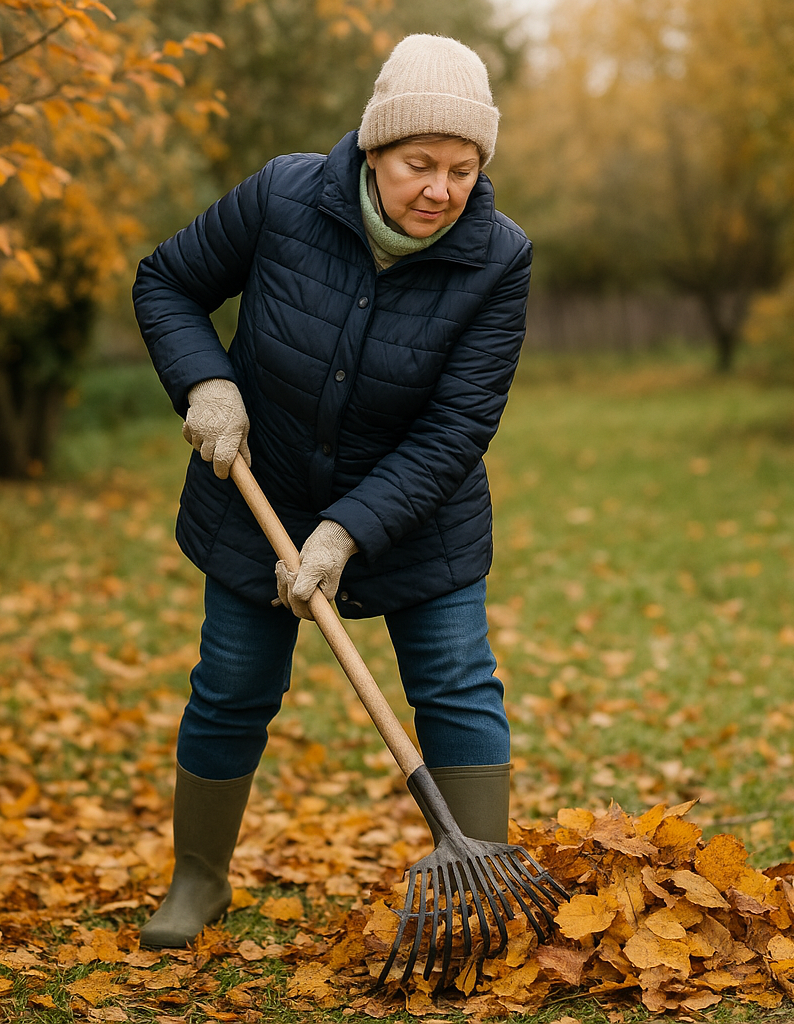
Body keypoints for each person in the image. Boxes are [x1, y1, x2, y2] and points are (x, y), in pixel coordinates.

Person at [132, 34, 532, 949]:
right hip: (261, 492)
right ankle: (198, 879)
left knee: (457, 686)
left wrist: (347, 531)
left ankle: (479, 890)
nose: (440, 190)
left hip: (418, 516)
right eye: (419, 164)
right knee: (231, 687)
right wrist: (207, 384)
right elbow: (167, 283)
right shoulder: (284, 196)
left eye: (463, 169)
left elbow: (456, 427)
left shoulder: (499, 257)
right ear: (374, 147)